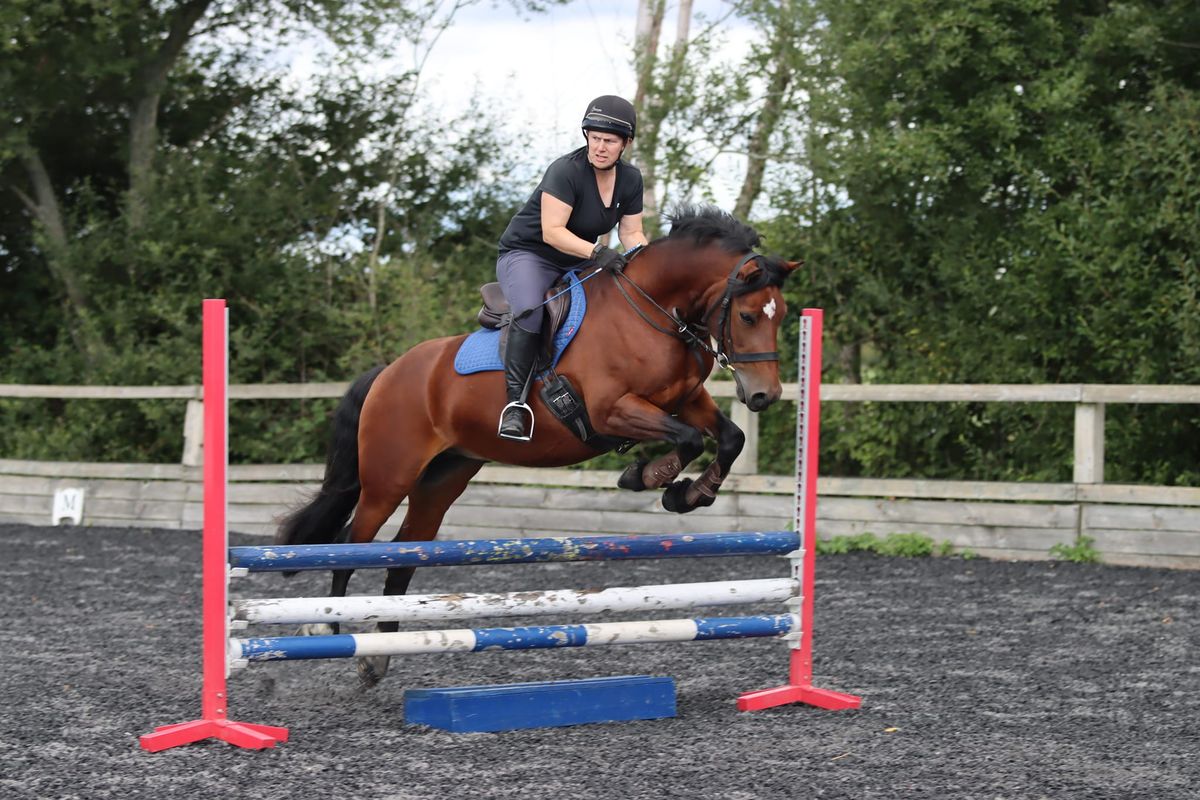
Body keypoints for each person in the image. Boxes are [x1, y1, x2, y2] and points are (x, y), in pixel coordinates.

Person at [494, 94, 649, 441]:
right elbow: (552, 232)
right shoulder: (566, 170)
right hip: (529, 253)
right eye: (594, 138)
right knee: (531, 311)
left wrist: (647, 265)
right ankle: (515, 405)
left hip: (579, 257)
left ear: (625, 143)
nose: (600, 147)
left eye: (609, 141)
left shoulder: (631, 179)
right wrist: (598, 253)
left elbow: (631, 231)